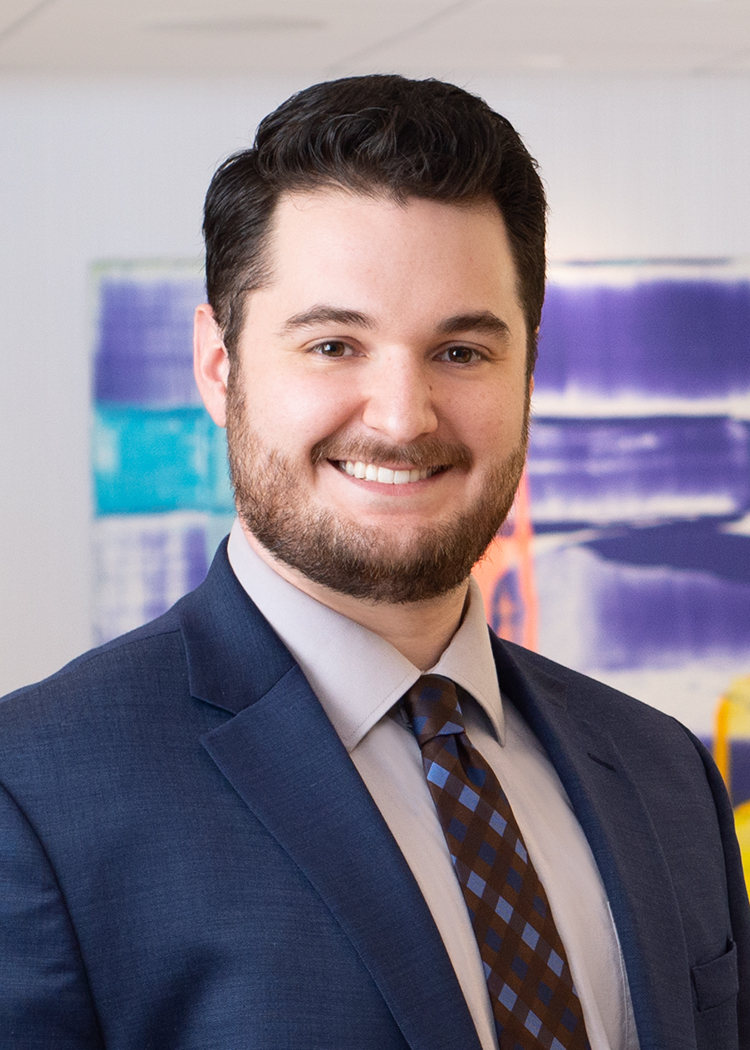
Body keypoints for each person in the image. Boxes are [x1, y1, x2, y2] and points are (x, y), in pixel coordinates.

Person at [0, 75, 747, 1050]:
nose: (401, 418)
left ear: (527, 366)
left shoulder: (663, 775)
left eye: (462, 353)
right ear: (219, 367)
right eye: (333, 344)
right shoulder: (36, 796)